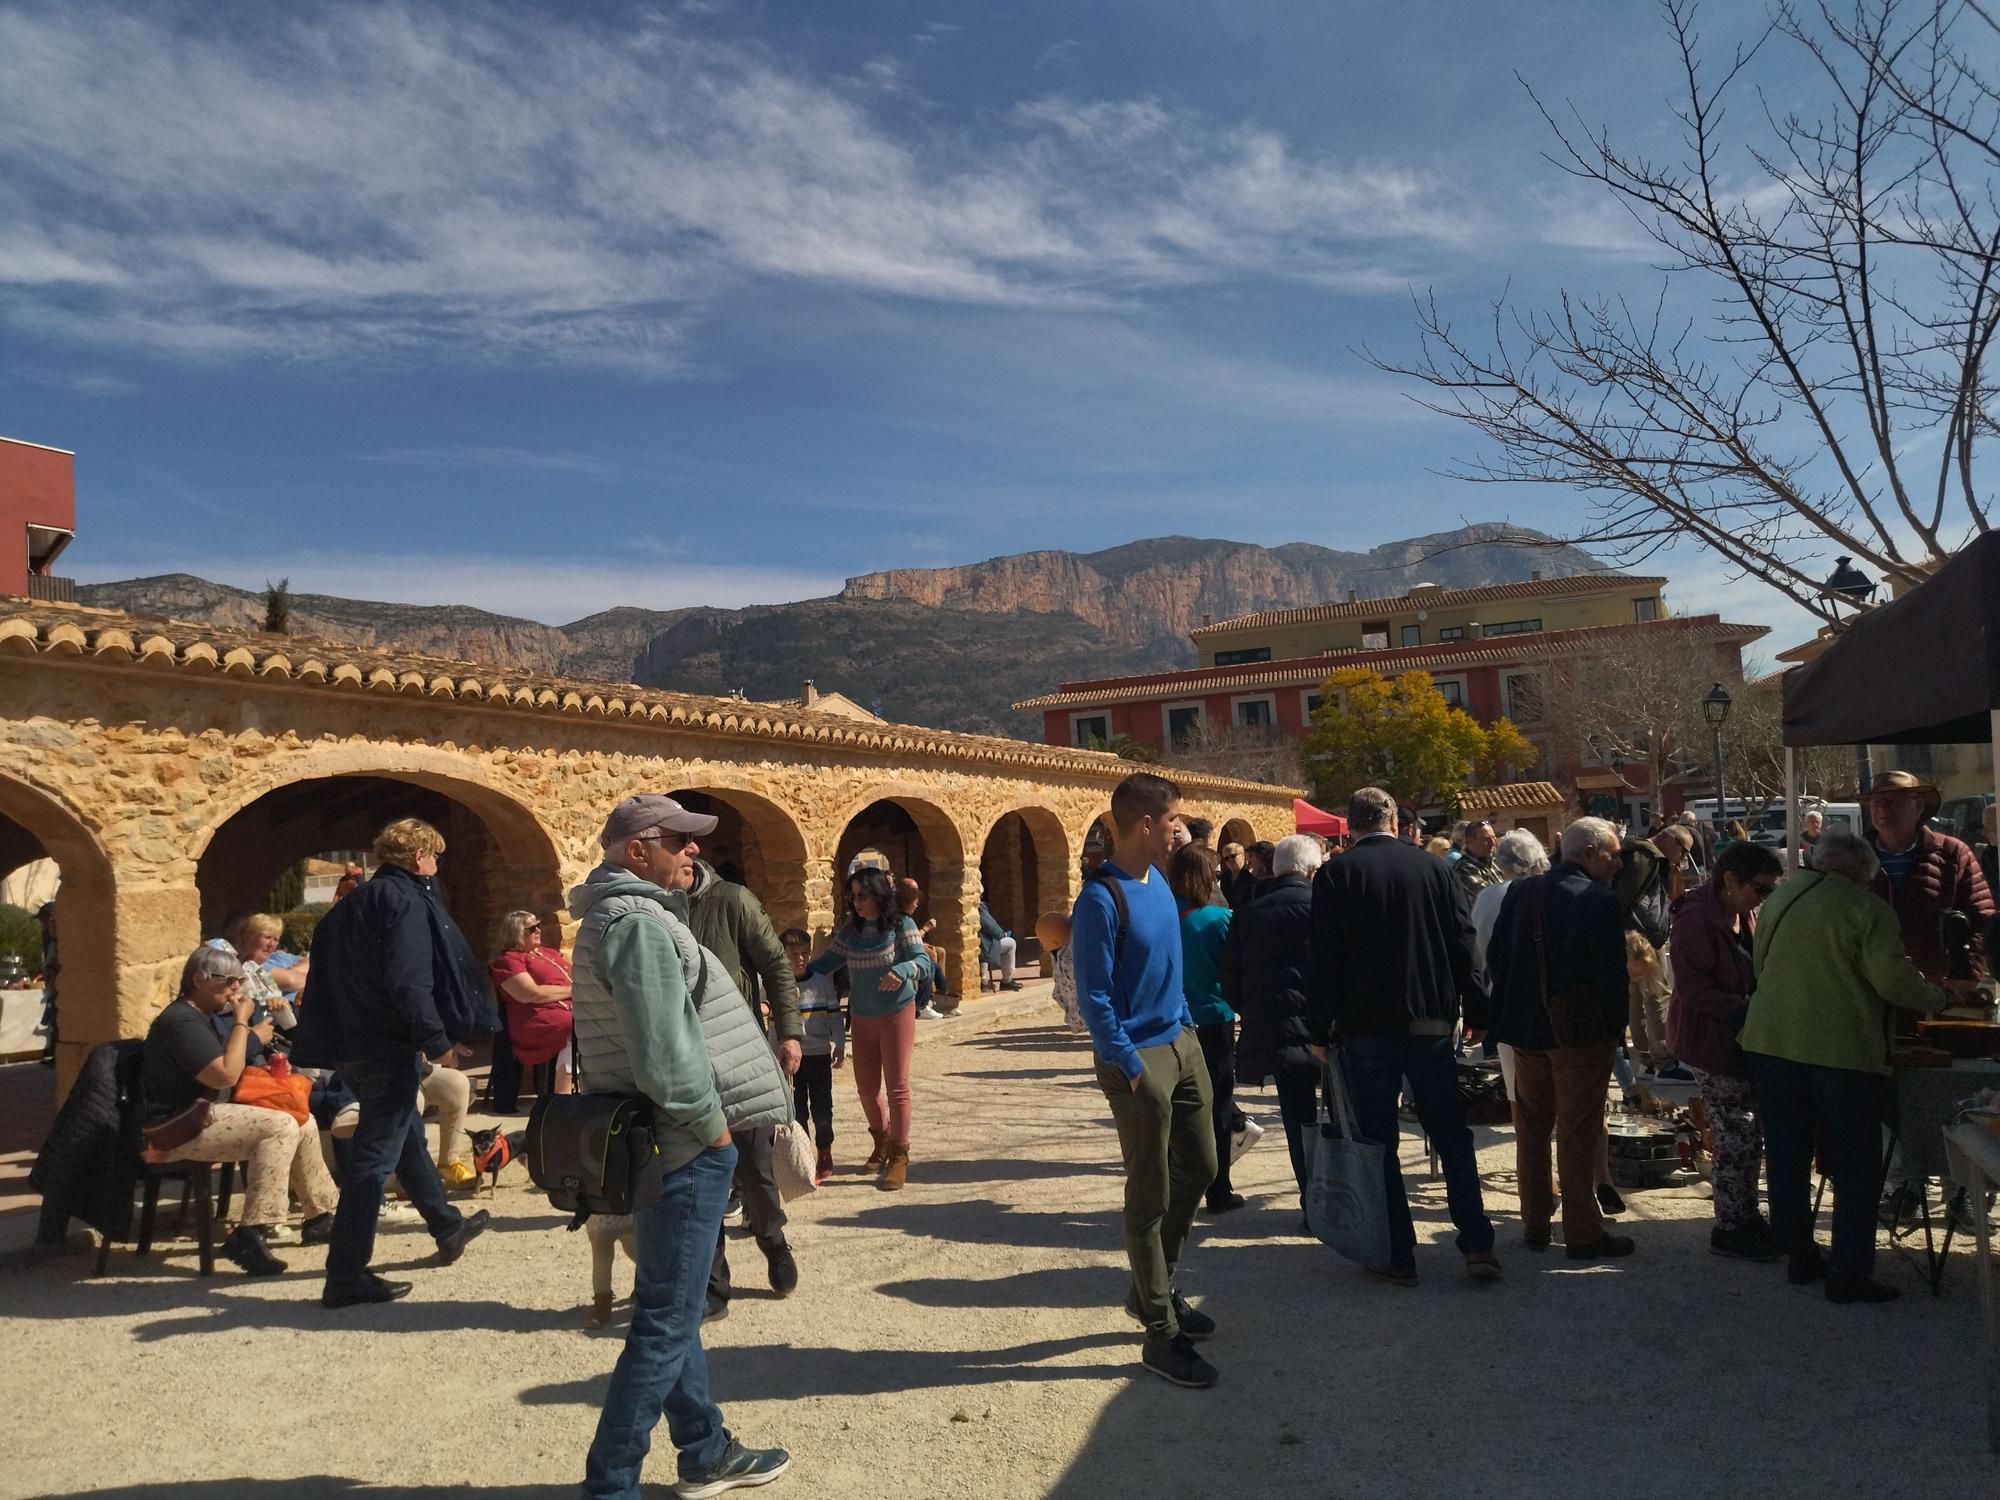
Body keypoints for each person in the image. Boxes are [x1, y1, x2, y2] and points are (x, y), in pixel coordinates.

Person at [571, 794, 791, 1498]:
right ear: (639, 850)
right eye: (680, 841)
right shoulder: (636, 923)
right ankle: (610, 1483)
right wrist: (714, 1128)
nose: (694, 851)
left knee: (673, 1303)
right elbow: (664, 1057)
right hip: (683, 1144)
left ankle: (704, 1449)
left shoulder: (621, 915)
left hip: (665, 1141)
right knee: (666, 1320)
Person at [1741, 827, 1958, 1302]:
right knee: (1855, 1164)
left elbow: (1761, 963)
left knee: (1786, 1156)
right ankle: (1849, 1274)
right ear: (1860, 872)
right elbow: (1893, 983)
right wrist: (1938, 998)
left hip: (1770, 1042)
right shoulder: (1867, 909)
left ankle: (1799, 1256)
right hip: (1838, 1049)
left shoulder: (1780, 897)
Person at [293, 817, 492, 1309]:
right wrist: (437, 1040)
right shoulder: (403, 901)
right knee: (373, 1160)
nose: (437, 866)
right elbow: (409, 980)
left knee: (404, 1137)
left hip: (353, 1045)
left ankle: (448, 1227)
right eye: (435, 856)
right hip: (386, 1044)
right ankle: (345, 1276)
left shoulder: (348, 907)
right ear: (420, 856)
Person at [1309, 786, 1498, 1284]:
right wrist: (1478, 1006)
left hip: (1364, 1026)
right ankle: (1477, 1244)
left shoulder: (1336, 874)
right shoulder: (1435, 869)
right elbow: (1464, 940)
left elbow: (1323, 958)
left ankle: (1398, 1252)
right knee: (1450, 1133)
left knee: (1378, 1141)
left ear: (1350, 825)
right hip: (1431, 1020)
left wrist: (1316, 1027)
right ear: (1395, 821)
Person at [1075, 771, 1220, 1388]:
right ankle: (1159, 1332)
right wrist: (1130, 1064)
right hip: (1137, 1057)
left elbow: (1168, 966)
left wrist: (1186, 1028)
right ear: (1144, 825)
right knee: (1150, 1192)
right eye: (1172, 822)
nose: (1179, 831)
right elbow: (1095, 995)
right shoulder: (1102, 899)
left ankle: (1150, 1288)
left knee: (1205, 1166)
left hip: (1181, 1042)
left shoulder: (1159, 881)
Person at [1487, 816, 1634, 1260]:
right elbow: (1612, 978)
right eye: (1612, 855)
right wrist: (1616, 1031)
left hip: (1526, 1027)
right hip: (1580, 1033)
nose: (1617, 864)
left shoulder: (1520, 892)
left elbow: (1497, 957)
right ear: (1588, 853)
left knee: (1531, 1125)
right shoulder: (1598, 900)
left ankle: (1535, 1223)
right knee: (1577, 1129)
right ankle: (1584, 1232)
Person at [143, 945, 341, 1275]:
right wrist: (242, 1023)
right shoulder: (180, 1021)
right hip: (179, 1126)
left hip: (206, 1114)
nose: (237, 987)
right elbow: (225, 1073)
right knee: (278, 1125)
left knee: (300, 1119)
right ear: (199, 979)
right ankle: (252, 1231)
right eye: (229, 981)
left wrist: (247, 1031)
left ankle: (320, 1216)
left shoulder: (202, 1017)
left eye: (239, 980)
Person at [682, 847, 805, 1306]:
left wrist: (790, 1033)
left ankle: (772, 1237)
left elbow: (775, 964)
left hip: (738, 1050)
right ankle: (714, 1284)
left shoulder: (732, 900)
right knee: (697, 1168)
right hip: (682, 1059)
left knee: (754, 1165)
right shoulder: (650, 908)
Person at [1668, 839, 1783, 1262]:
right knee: (1736, 1132)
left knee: (1747, 1133)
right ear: (1730, 880)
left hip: (1736, 1039)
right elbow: (1695, 990)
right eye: (1761, 888)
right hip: (1709, 1042)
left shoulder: (1740, 911)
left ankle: (1744, 1216)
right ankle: (1731, 1227)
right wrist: (1749, 1009)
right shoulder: (1696, 921)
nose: (1764, 896)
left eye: (1771, 889)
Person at [808, 865, 931, 1191]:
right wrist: (790, 972)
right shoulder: (850, 931)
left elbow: (923, 960)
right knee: (865, 1088)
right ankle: (882, 1140)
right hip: (862, 1018)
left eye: (863, 896)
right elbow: (824, 966)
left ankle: (900, 1155)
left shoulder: (902, 925)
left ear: (879, 894)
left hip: (896, 1015)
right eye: (853, 897)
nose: (857, 902)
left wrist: (904, 969)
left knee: (897, 1086)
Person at [1221, 832, 1320, 1224]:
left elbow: (1228, 977)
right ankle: (1344, 1201)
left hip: (1278, 1032)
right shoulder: (1325, 908)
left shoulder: (1249, 913)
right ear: (1312, 871)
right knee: (1342, 1118)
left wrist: (1254, 1010)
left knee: (1298, 1119)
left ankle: (1311, 1201)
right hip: (1328, 1030)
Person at [1169, 846, 1247, 1216]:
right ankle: (1219, 1188)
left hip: (1173, 1021)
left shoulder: (1163, 918)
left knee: (1178, 1104)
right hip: (1215, 1018)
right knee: (1218, 1102)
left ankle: (1176, 1184)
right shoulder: (1219, 919)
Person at [1863, 769, 1993, 981]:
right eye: (1876, 802)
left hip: (1938, 990)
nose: (1882, 809)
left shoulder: (1952, 854)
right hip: (1869, 990)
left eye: (1893, 801)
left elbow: (1981, 919)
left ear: (1919, 807)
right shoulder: (1851, 858)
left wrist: (1965, 977)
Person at [489, 910, 575, 1096]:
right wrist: (575, 992)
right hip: (536, 1019)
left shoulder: (548, 953)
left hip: (567, 1011)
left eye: (538, 925)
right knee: (581, 1026)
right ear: (517, 932)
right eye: (532, 928)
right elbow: (530, 994)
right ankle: (563, 1094)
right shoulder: (508, 960)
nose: (538, 930)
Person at [782, 929, 842, 1185]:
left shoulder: (822, 981)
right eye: (794, 954)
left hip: (818, 1055)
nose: (801, 959)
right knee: (796, 1111)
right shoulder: (776, 984)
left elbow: (835, 1016)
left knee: (821, 1108)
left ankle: (824, 1151)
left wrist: (840, 1043)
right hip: (790, 1060)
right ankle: (805, 1158)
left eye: (805, 953)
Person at [896, 878, 952, 1018]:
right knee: (930, 960)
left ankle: (939, 998)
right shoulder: (904, 920)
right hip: (906, 952)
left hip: (915, 944)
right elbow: (908, 940)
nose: (917, 902)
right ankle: (927, 1002)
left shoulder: (906, 918)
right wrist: (926, 928)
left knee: (940, 952)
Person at [1036, 910, 1082, 1031]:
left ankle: (1078, 1020)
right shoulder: (1059, 953)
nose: (1041, 946)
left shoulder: (1068, 960)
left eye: (1042, 942)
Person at [978, 899, 1022, 991]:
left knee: (984, 949)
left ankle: (984, 980)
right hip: (984, 945)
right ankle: (1006, 980)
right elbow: (992, 927)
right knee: (1011, 943)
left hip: (978, 944)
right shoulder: (979, 907)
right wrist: (1003, 934)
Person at [1453, 819, 1501, 902]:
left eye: (1494, 837)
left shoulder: (1495, 861)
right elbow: (1490, 897)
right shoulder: (1463, 868)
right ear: (1470, 841)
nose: (1493, 843)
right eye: (1487, 839)